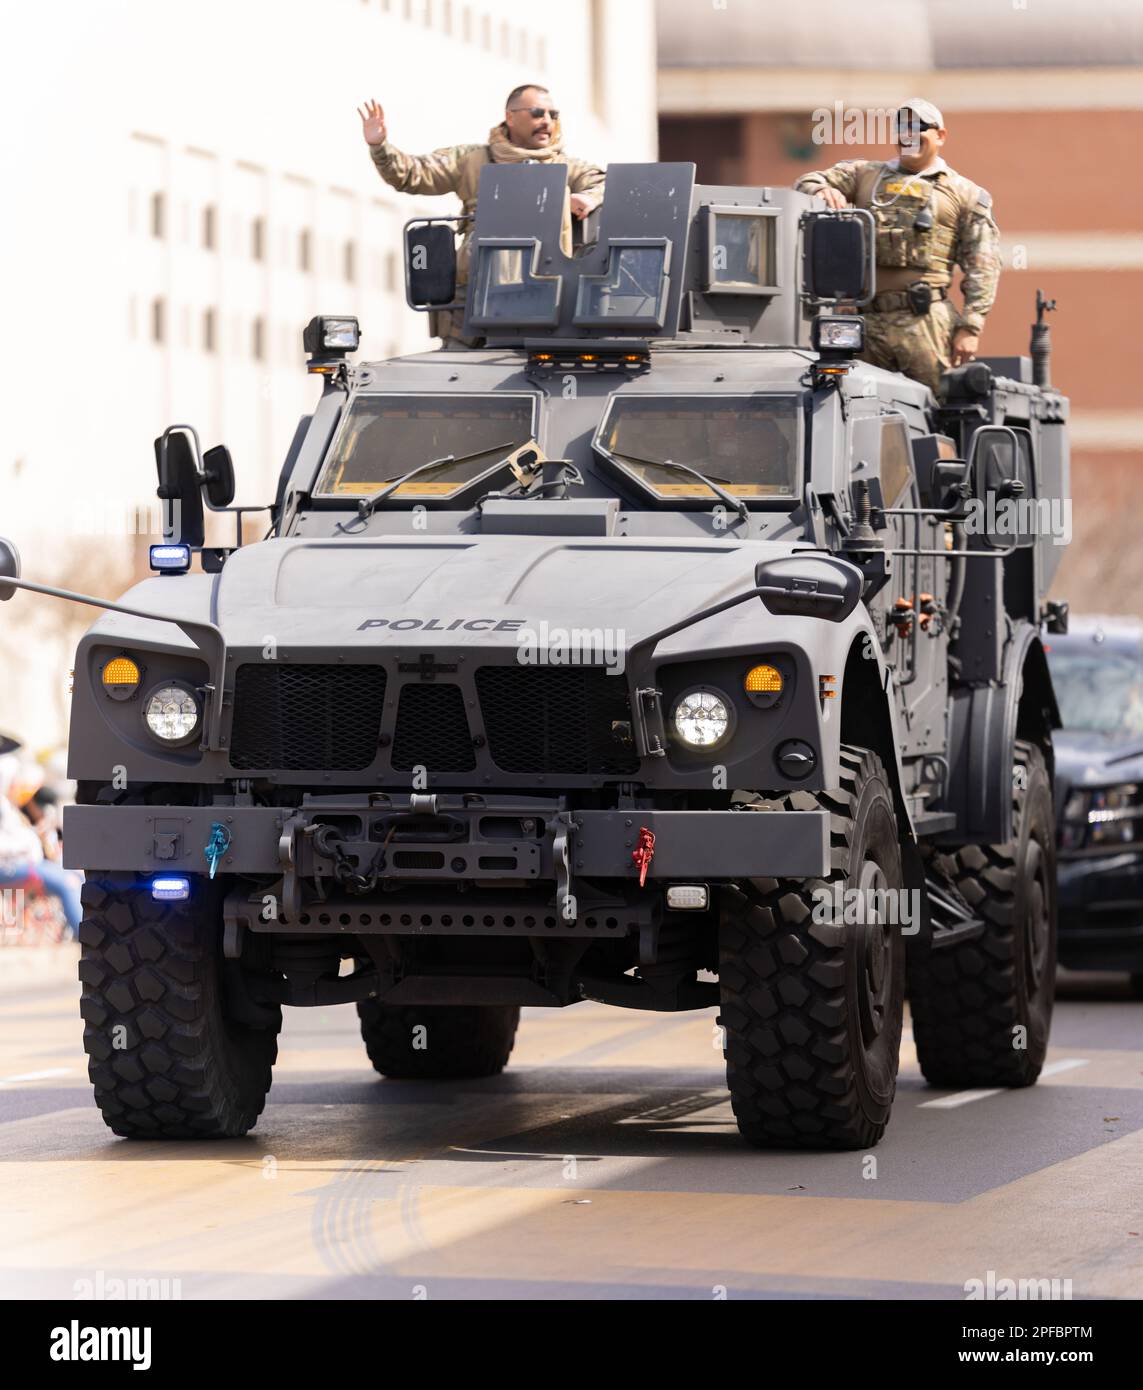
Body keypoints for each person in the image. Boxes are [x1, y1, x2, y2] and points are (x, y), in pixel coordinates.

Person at [358, 84, 606, 343]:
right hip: (476, 296)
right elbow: (412, 174)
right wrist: (380, 146)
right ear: (510, 116)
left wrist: (587, 197)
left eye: (553, 115)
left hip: (550, 296)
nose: (547, 122)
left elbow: (604, 182)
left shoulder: (565, 167)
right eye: (536, 113)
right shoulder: (473, 159)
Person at [795, 99, 1001, 393]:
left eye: (919, 127)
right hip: (863, 320)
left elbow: (984, 263)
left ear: (940, 135)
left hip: (926, 321)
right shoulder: (865, 175)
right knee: (848, 401)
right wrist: (822, 189)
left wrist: (970, 326)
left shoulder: (963, 192)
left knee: (942, 406)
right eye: (902, 128)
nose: (909, 135)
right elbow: (806, 180)